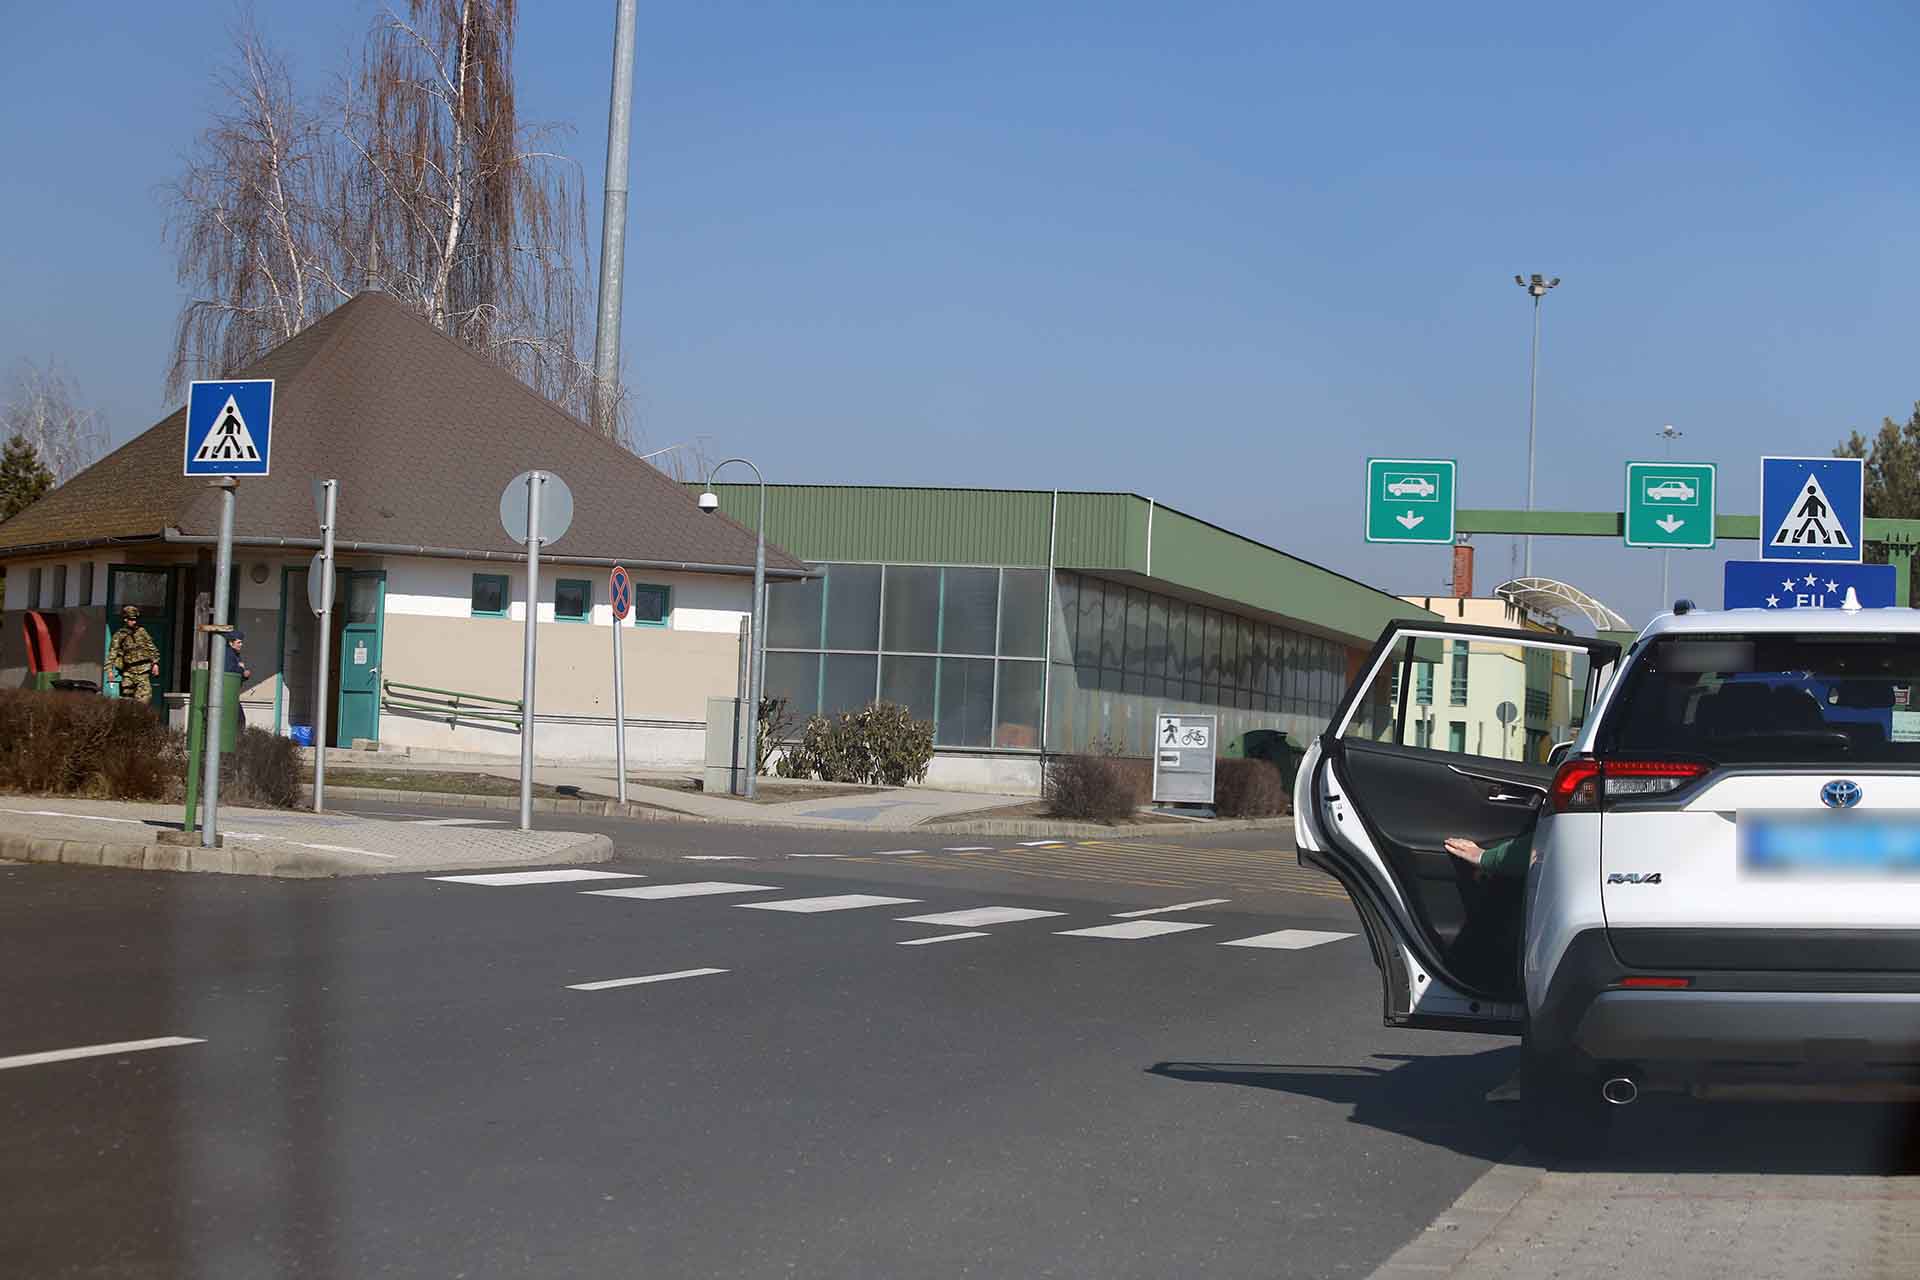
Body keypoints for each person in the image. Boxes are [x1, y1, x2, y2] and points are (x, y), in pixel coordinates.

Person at [106, 605, 161, 706]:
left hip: (143, 672)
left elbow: (152, 648)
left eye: (135, 619)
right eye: (131, 619)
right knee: (127, 704)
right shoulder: (119, 635)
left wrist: (155, 663)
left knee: (144, 702)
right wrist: (110, 671)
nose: (134, 622)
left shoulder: (142, 632)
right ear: (125, 619)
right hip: (128, 673)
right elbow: (112, 654)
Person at [223, 628, 252, 727]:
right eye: (239, 642)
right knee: (239, 721)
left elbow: (237, 673)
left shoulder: (235, 655)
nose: (241, 644)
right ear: (231, 643)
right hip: (226, 693)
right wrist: (241, 670)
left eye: (241, 642)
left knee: (239, 720)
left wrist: (243, 674)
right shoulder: (228, 654)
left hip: (232, 692)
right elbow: (229, 670)